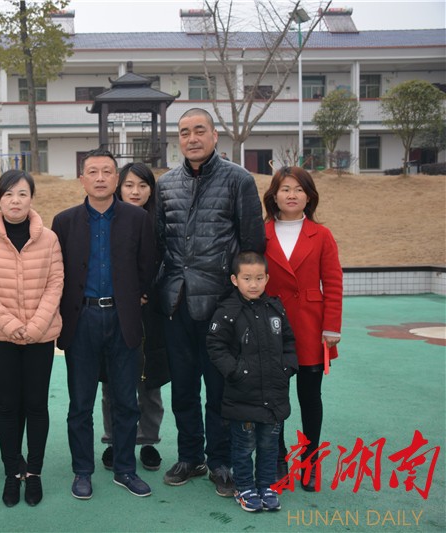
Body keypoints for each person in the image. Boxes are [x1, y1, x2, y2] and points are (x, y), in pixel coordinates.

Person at [155, 108, 265, 498]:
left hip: (221, 305)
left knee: (219, 389)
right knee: (183, 388)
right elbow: (159, 243)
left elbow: (252, 245)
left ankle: (221, 461)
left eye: (199, 130)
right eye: (184, 132)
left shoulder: (239, 179)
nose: (192, 138)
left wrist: (241, 301)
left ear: (215, 135)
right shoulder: (165, 184)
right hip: (176, 303)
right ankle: (190, 457)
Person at [53, 148, 157, 500]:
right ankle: (82, 470)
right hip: (81, 319)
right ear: (82, 179)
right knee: (80, 404)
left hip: (123, 318)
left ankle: (125, 469)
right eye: (93, 172)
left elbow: (147, 265)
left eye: (107, 171)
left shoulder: (137, 219)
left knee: (126, 401)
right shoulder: (64, 222)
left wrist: (135, 296)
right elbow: (58, 273)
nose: (100, 178)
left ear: (116, 178)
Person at [0, 169, 64, 507]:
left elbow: (55, 284)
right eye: (8, 194)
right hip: (0, 337)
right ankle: (13, 473)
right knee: (7, 407)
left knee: (36, 406)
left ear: (31, 198)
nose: (15, 201)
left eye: (22, 194)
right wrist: (9, 324)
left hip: (40, 337)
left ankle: (33, 473)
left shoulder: (49, 239)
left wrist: (36, 326)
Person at [262, 166, 343, 492]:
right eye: (285, 189)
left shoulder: (321, 235)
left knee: (310, 397)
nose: (292, 195)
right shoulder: (261, 232)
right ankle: (278, 457)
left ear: (309, 197)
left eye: (299, 189)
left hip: (311, 324)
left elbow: (333, 282)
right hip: (271, 324)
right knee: (274, 398)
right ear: (274, 196)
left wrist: (332, 327)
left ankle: (310, 462)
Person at [207, 251, 298, 513]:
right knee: (244, 445)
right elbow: (215, 345)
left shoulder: (275, 309)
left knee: (269, 445)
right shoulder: (227, 312)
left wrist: (286, 367)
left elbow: (289, 342)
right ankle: (245, 487)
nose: (254, 284)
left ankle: (266, 486)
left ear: (267, 278)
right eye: (247, 278)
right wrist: (236, 372)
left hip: (274, 395)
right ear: (235, 280)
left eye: (259, 278)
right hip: (241, 396)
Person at [99, 162, 169, 473]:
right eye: (129, 185)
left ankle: (148, 440)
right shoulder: (106, 220)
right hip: (112, 311)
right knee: (111, 381)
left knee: (149, 381)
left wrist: (148, 291)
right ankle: (114, 439)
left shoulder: (160, 224)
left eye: (142, 185)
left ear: (151, 190)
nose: (135, 191)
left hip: (150, 313)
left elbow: (168, 265)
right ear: (119, 187)